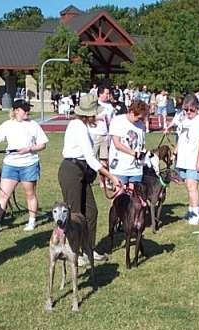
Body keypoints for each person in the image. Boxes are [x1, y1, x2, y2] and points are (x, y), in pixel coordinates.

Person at [59, 95, 120, 266]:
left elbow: (89, 159)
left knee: (91, 212)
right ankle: (74, 253)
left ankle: (88, 249)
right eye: (96, 114)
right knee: (75, 215)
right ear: (89, 114)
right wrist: (111, 177)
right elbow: (90, 157)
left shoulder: (82, 126)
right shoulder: (78, 126)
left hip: (81, 169)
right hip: (71, 170)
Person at [0, 100, 48, 233]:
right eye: (24, 109)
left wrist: (29, 149)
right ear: (16, 110)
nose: (27, 111)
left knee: (30, 194)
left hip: (29, 164)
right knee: (3, 195)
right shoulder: (8, 125)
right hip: (11, 165)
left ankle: (31, 221)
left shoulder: (34, 125)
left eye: (27, 109)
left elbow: (42, 144)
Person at [170, 95, 199, 225]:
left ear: (197, 108)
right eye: (186, 110)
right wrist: (175, 151)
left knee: (193, 186)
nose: (188, 113)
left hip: (194, 159)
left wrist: (198, 162)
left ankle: (196, 214)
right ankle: (191, 209)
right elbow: (181, 138)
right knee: (188, 185)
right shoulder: (185, 120)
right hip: (183, 159)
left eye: (191, 110)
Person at [108, 100, 149, 192]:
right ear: (131, 112)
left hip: (136, 168)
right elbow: (117, 144)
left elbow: (141, 144)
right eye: (138, 118)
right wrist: (133, 153)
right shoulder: (118, 121)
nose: (139, 120)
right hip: (120, 166)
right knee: (119, 196)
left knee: (133, 197)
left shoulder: (141, 125)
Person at [91, 86, 115, 175]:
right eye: (106, 94)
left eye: (109, 94)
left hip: (105, 135)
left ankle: (103, 181)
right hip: (94, 134)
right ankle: (89, 177)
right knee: (92, 158)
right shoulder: (94, 104)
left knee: (104, 160)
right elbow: (86, 118)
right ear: (100, 94)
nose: (108, 96)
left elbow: (111, 121)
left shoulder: (110, 106)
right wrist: (97, 117)